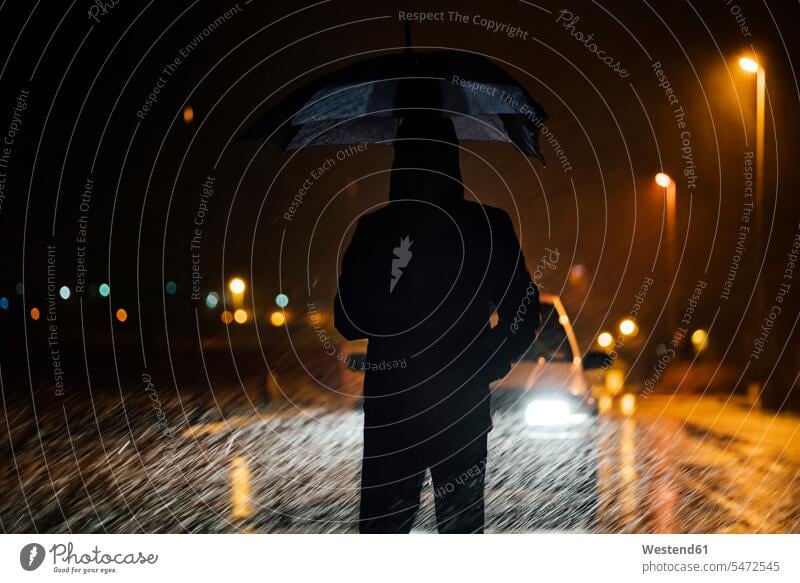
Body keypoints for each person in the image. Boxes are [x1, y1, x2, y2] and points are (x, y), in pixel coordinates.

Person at [334, 115, 540, 533]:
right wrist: (485, 365)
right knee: (460, 532)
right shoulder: (487, 226)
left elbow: (348, 320)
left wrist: (388, 282)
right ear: (454, 160)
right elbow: (524, 311)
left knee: (384, 535)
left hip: (393, 411)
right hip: (460, 408)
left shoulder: (376, 230)